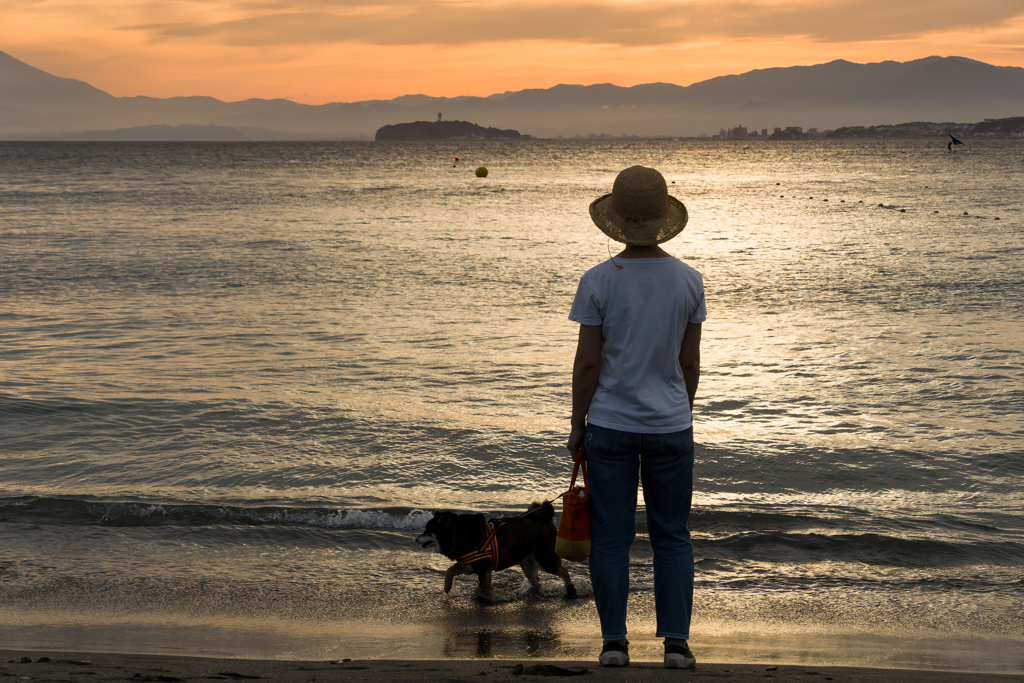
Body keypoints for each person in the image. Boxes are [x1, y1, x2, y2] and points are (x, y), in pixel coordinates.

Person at [566, 166, 705, 669]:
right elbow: (689, 364)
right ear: (663, 217)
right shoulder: (689, 280)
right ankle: (675, 645)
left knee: (610, 538)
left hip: (610, 426)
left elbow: (588, 362)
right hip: (671, 426)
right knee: (672, 535)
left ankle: (613, 644)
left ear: (618, 221)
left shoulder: (598, 280)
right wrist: (676, 412)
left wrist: (577, 424)